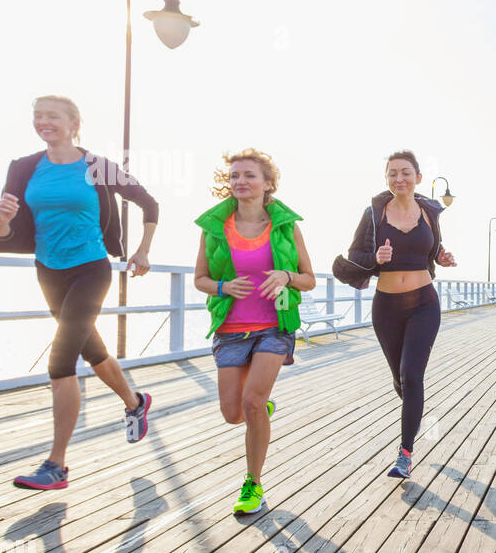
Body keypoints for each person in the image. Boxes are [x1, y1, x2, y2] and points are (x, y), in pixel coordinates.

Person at [0, 95, 159, 490]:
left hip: (91, 268)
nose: (44, 122)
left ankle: (56, 465)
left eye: (53, 116)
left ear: (74, 123)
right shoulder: (25, 168)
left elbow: (148, 202)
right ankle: (135, 403)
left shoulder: (96, 167)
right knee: (93, 351)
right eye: (38, 116)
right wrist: (0, 222)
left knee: (60, 362)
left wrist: (143, 249)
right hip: (48, 271)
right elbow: (4, 234)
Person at [194, 149, 314, 515]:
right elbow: (200, 278)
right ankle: (260, 409)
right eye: (234, 176)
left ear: (267, 184)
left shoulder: (286, 227)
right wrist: (222, 288)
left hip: (273, 327)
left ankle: (253, 484)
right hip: (230, 329)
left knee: (251, 402)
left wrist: (286, 276)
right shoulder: (215, 227)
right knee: (233, 413)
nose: (240, 182)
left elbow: (308, 278)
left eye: (249, 175)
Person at [332, 150, 456, 479]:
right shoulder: (374, 214)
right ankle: (413, 411)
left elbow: (430, 250)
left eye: (405, 172)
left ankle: (405, 453)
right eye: (392, 174)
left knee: (412, 375)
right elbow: (355, 254)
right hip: (386, 307)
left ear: (418, 177)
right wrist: (376, 257)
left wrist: (441, 257)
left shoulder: (430, 213)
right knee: (402, 380)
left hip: (424, 304)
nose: (398, 178)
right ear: (386, 179)